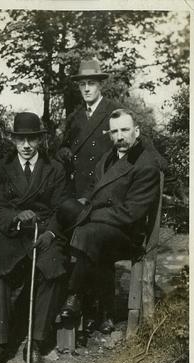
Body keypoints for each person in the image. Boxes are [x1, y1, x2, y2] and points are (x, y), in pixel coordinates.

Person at [0, 112, 69, 363]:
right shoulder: (0, 169)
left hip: (43, 232)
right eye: (21, 139)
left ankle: (35, 344)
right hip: (12, 232)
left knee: (53, 263)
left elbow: (61, 209)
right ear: (13, 140)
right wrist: (16, 217)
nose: (26, 145)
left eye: (32, 139)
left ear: (40, 140)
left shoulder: (55, 169)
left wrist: (51, 234)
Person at [57, 108, 161, 326]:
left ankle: (74, 296)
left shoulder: (145, 165)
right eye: (115, 132)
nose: (120, 136)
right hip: (100, 226)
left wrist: (91, 214)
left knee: (87, 232)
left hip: (125, 234)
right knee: (64, 212)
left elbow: (131, 213)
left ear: (137, 131)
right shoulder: (107, 158)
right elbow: (94, 189)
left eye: (125, 130)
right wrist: (83, 203)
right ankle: (74, 305)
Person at [57, 59, 121, 333]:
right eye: (82, 84)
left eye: (91, 83)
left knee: (100, 245)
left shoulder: (114, 112)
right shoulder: (74, 117)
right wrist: (62, 152)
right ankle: (76, 306)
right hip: (78, 194)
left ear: (100, 85)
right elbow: (62, 147)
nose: (86, 88)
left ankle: (103, 311)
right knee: (73, 241)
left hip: (105, 194)